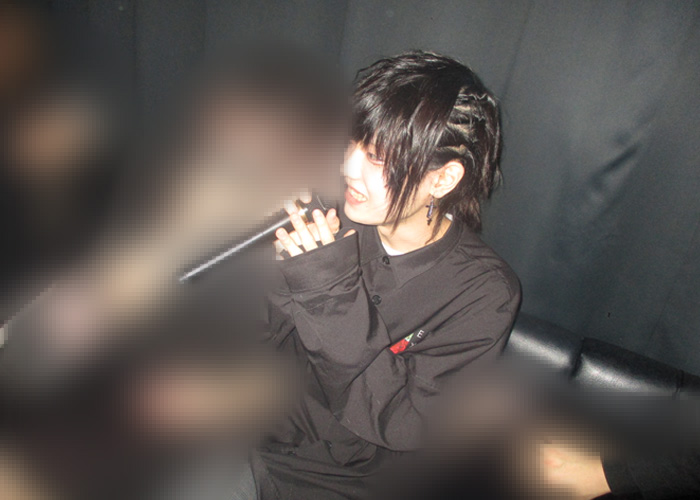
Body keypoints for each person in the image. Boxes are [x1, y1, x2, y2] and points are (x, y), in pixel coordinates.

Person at [253, 51, 521, 499]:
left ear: (442, 180)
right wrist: (266, 250)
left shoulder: (484, 292)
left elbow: (407, 421)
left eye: (378, 158)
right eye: (352, 144)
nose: (347, 168)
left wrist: (326, 289)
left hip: (342, 477)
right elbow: (257, 335)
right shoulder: (332, 214)